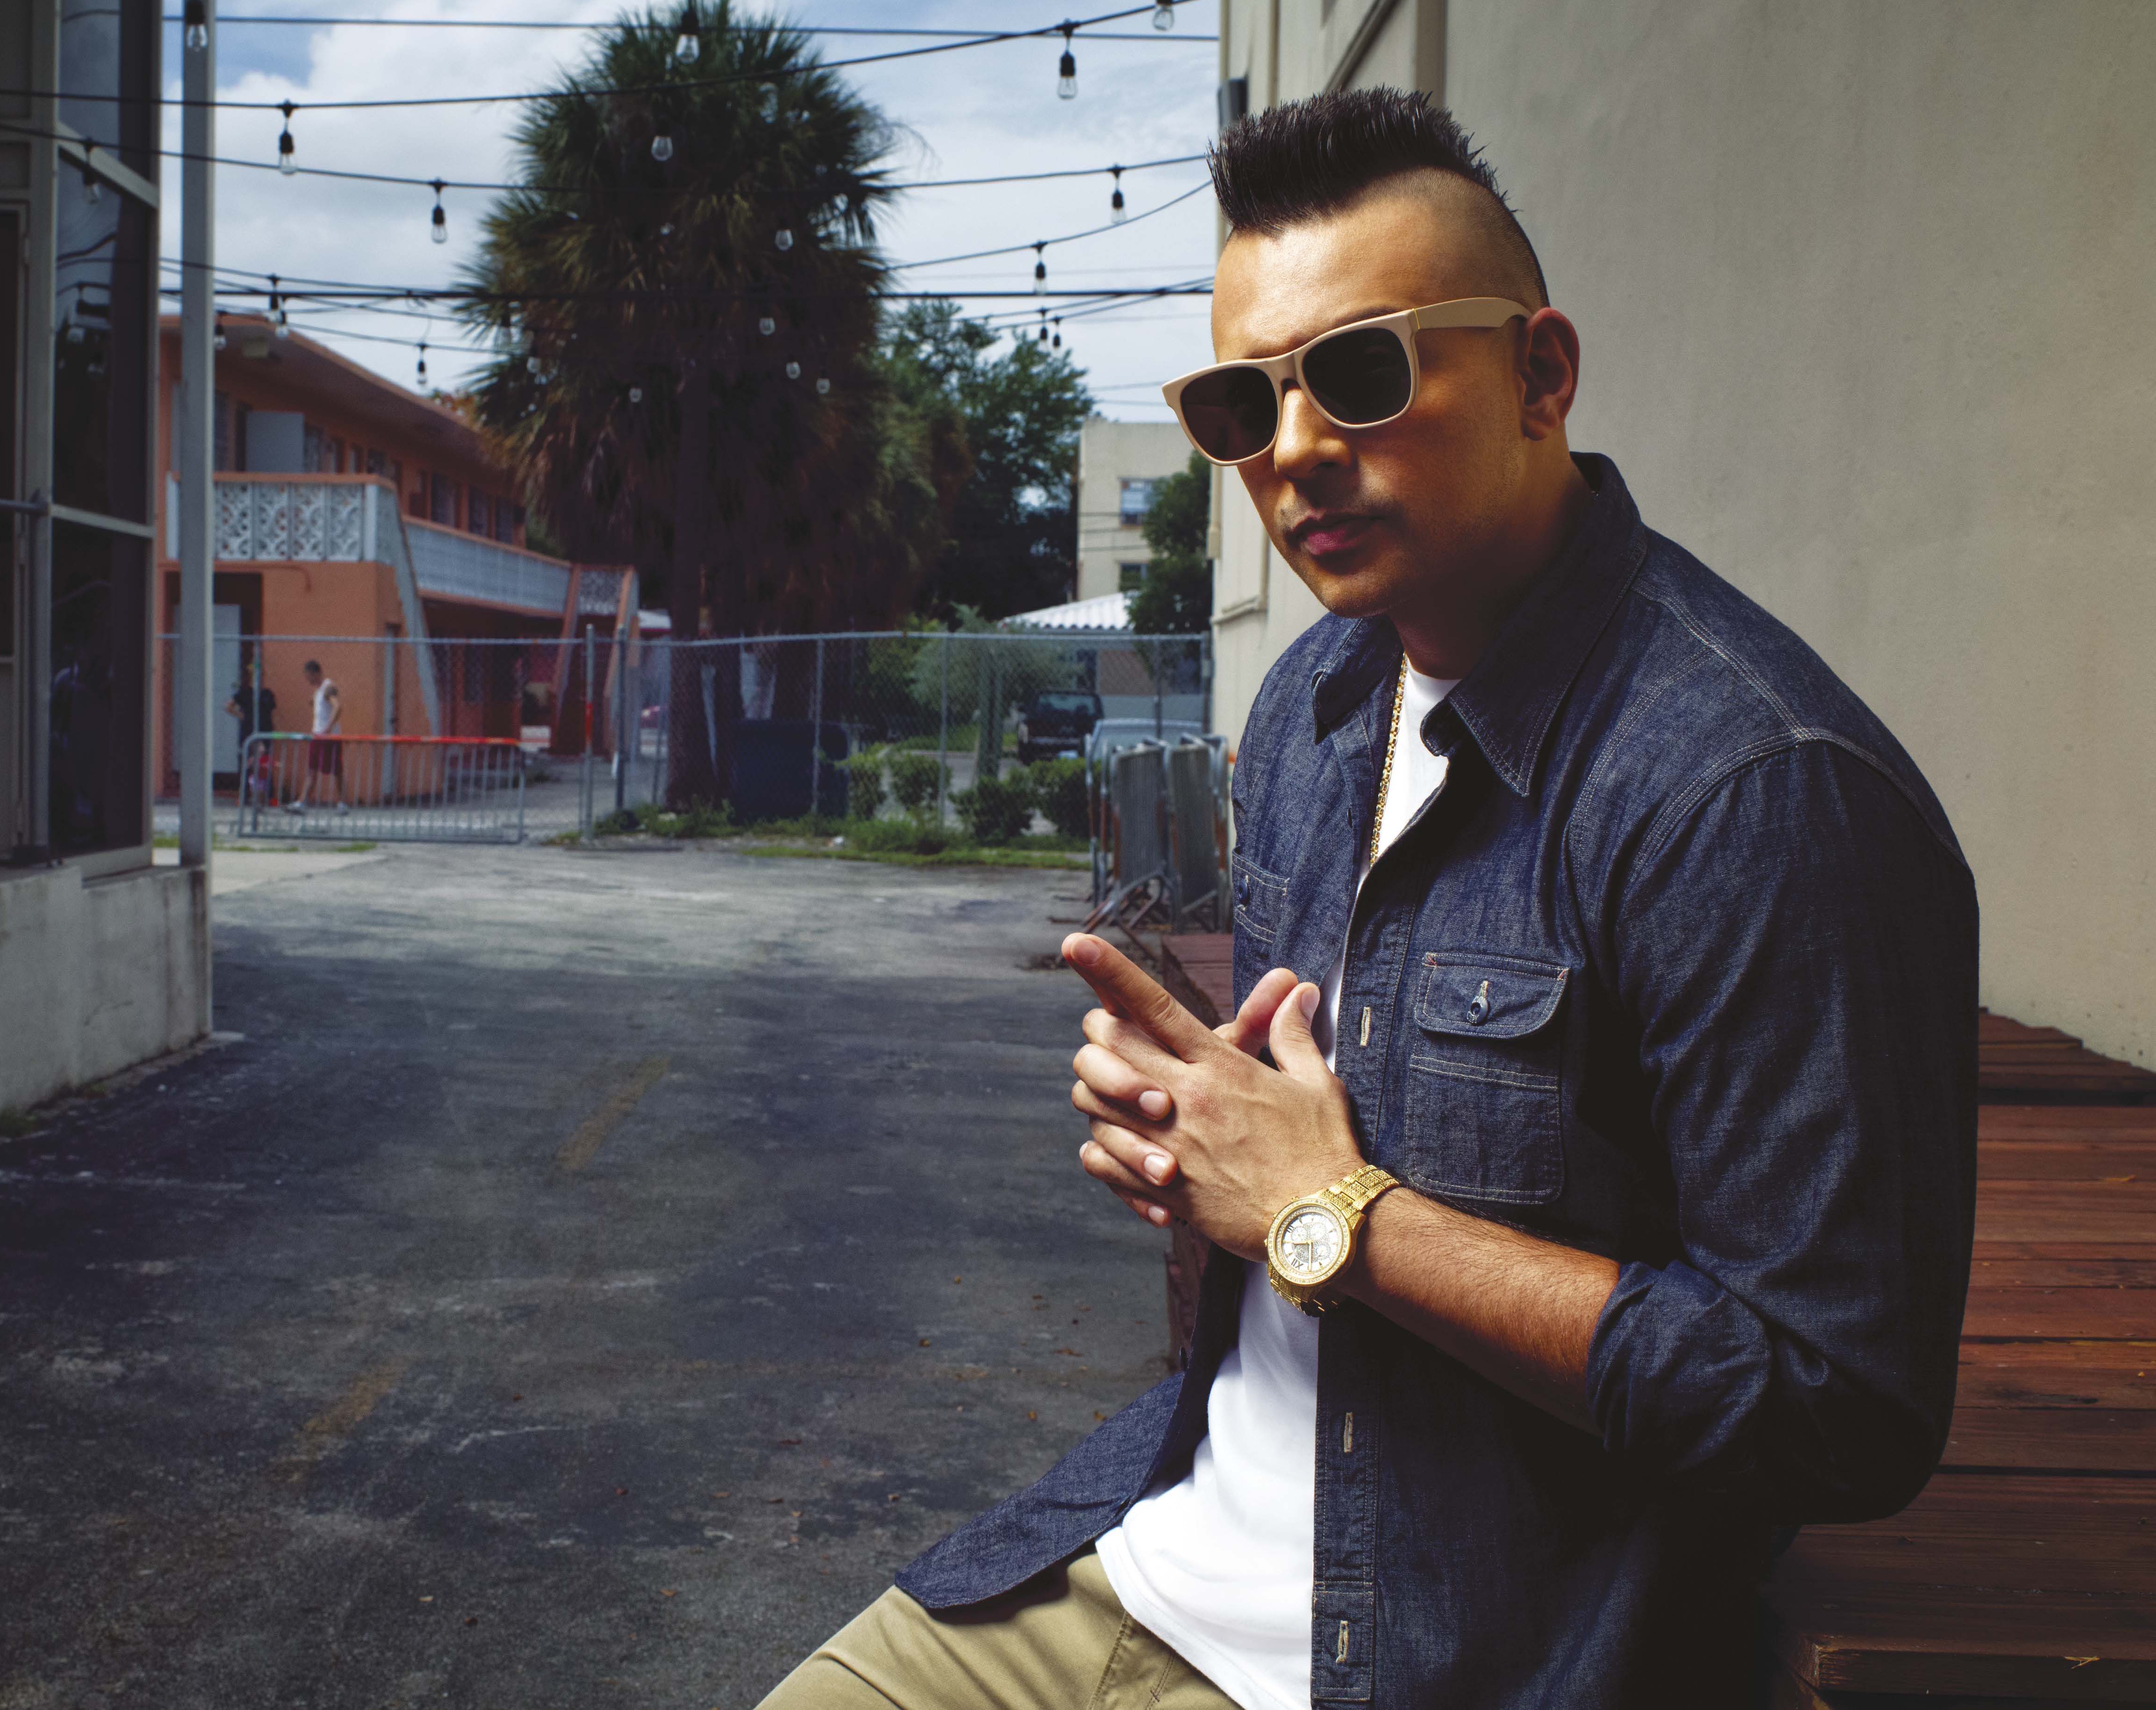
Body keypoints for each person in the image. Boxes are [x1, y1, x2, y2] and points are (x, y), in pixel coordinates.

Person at [758, 87, 1976, 1710]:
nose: (1295, 451)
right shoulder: (1319, 701)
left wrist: (1335, 1218)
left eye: (1361, 373)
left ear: (1541, 374)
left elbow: (1834, 1402)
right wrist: (1198, 1123)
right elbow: (1308, 1144)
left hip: (1453, 1658)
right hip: (1144, 1549)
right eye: (1239, 404)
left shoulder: (1758, 793)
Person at [227, 661, 279, 804]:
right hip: (248, 733)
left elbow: (273, 714)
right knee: (247, 764)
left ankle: (269, 797)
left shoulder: (267, 694)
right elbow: (229, 707)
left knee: (265, 764)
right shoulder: (245, 693)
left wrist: (274, 730)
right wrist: (242, 717)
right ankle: (244, 796)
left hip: (265, 732)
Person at [293, 658, 342, 811]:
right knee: (312, 769)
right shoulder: (319, 690)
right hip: (317, 735)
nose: (307, 680)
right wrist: (314, 701)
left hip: (329, 737)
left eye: (308, 676)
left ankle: (342, 802)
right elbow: (319, 704)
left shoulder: (328, 687)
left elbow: (338, 707)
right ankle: (302, 802)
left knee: (336, 770)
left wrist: (329, 728)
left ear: (315, 673)